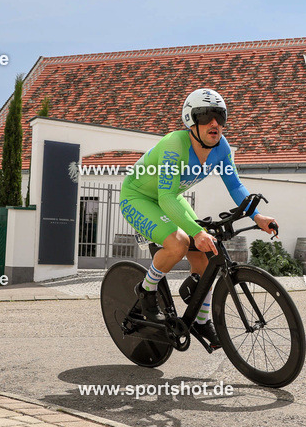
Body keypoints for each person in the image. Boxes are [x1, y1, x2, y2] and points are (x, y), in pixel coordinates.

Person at [119, 88, 278, 348]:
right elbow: (166, 197)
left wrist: (257, 217)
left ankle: (202, 321)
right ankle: (146, 290)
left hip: (167, 196)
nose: (214, 123)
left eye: (220, 116)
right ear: (191, 121)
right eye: (206, 116)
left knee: (208, 252)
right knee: (179, 243)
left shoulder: (221, 147)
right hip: (138, 197)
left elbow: (235, 186)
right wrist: (196, 232)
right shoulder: (174, 144)